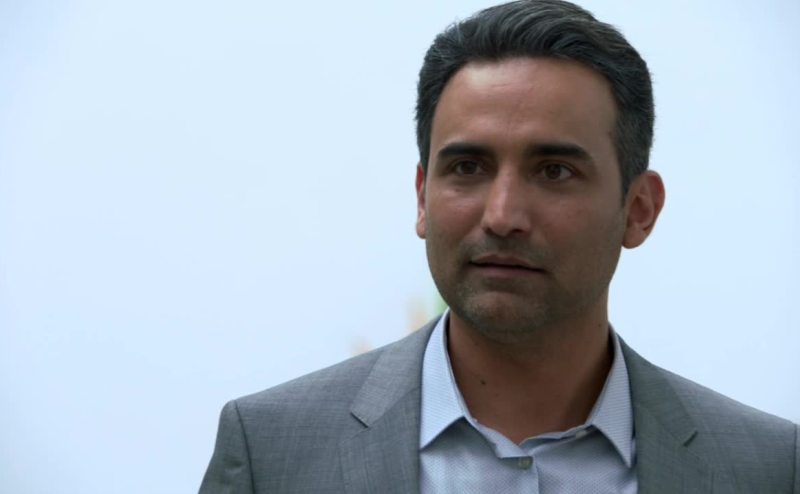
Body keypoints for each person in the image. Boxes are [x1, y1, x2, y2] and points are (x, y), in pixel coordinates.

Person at [199, 1, 799, 492]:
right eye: (467, 167)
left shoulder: (768, 469)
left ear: (639, 210)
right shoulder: (270, 454)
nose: (503, 215)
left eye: (555, 171)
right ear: (422, 198)